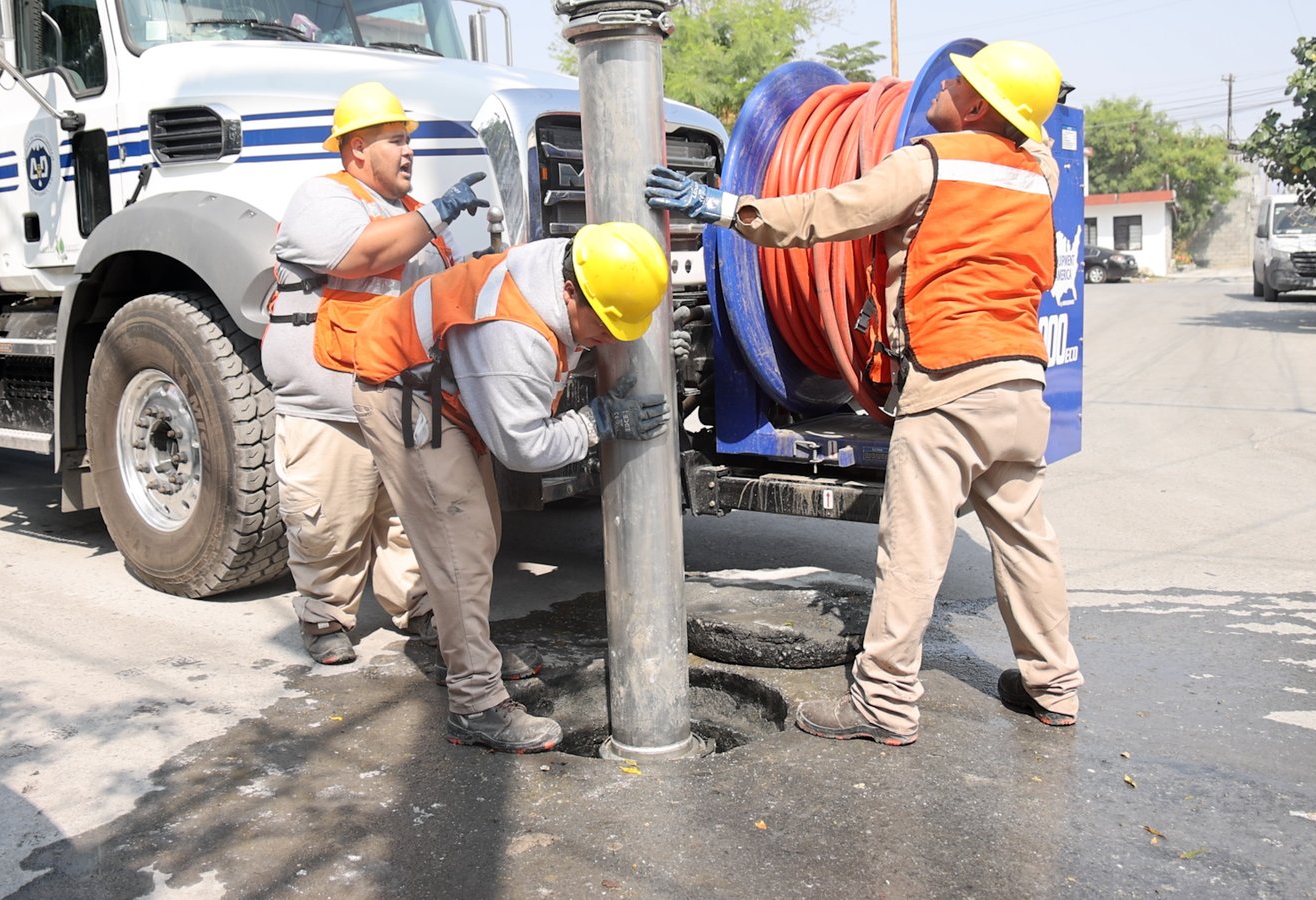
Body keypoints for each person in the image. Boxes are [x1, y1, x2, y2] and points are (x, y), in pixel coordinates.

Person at [646, 40, 1083, 745]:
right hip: (1020, 383)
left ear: (977, 105)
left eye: (960, 81)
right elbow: (1030, 148)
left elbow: (829, 212)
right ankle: (1054, 686)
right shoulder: (1038, 174)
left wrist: (727, 207)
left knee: (911, 550)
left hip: (949, 384)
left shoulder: (924, 164)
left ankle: (883, 701)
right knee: (1027, 542)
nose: (944, 84)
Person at [349, 222, 671, 752]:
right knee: (463, 547)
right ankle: (475, 704)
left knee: (481, 536)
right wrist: (596, 424)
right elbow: (522, 449)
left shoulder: (568, 265)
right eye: (607, 326)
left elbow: (566, 344)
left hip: (442, 389)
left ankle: (462, 647)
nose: (610, 339)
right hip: (404, 393)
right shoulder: (511, 331)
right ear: (571, 292)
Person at [265, 81, 490, 667]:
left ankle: (419, 608)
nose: (409, 151)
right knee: (329, 520)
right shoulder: (323, 199)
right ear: (357, 149)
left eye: (408, 140)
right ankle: (324, 617)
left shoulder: (418, 217)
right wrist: (441, 214)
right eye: (395, 140)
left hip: (411, 399)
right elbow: (364, 255)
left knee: (413, 522)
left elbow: (454, 290)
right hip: (330, 401)